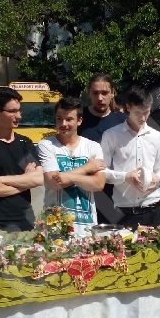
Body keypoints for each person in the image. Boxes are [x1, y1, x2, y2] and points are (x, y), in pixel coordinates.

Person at [0, 86, 43, 231]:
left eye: (19, 110)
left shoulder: (25, 143)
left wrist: (0, 180)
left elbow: (38, 179)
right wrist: (25, 181)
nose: (19, 116)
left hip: (26, 224)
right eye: (12, 111)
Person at [101, 87, 160, 228]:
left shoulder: (157, 137)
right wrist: (125, 177)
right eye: (138, 113)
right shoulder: (111, 135)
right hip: (123, 211)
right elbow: (102, 172)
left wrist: (158, 178)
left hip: (153, 208)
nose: (143, 118)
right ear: (128, 107)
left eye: (146, 112)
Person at [38, 97, 106, 229]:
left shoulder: (93, 147)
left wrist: (66, 176)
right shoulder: (46, 145)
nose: (63, 124)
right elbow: (53, 183)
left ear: (79, 120)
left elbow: (99, 184)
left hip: (86, 226)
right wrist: (86, 168)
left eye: (69, 119)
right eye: (59, 118)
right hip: (55, 227)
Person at [78, 74, 127, 225]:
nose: (100, 98)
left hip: (116, 192)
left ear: (112, 93)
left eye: (104, 93)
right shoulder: (79, 119)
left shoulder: (123, 121)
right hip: (84, 190)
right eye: (95, 93)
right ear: (89, 93)